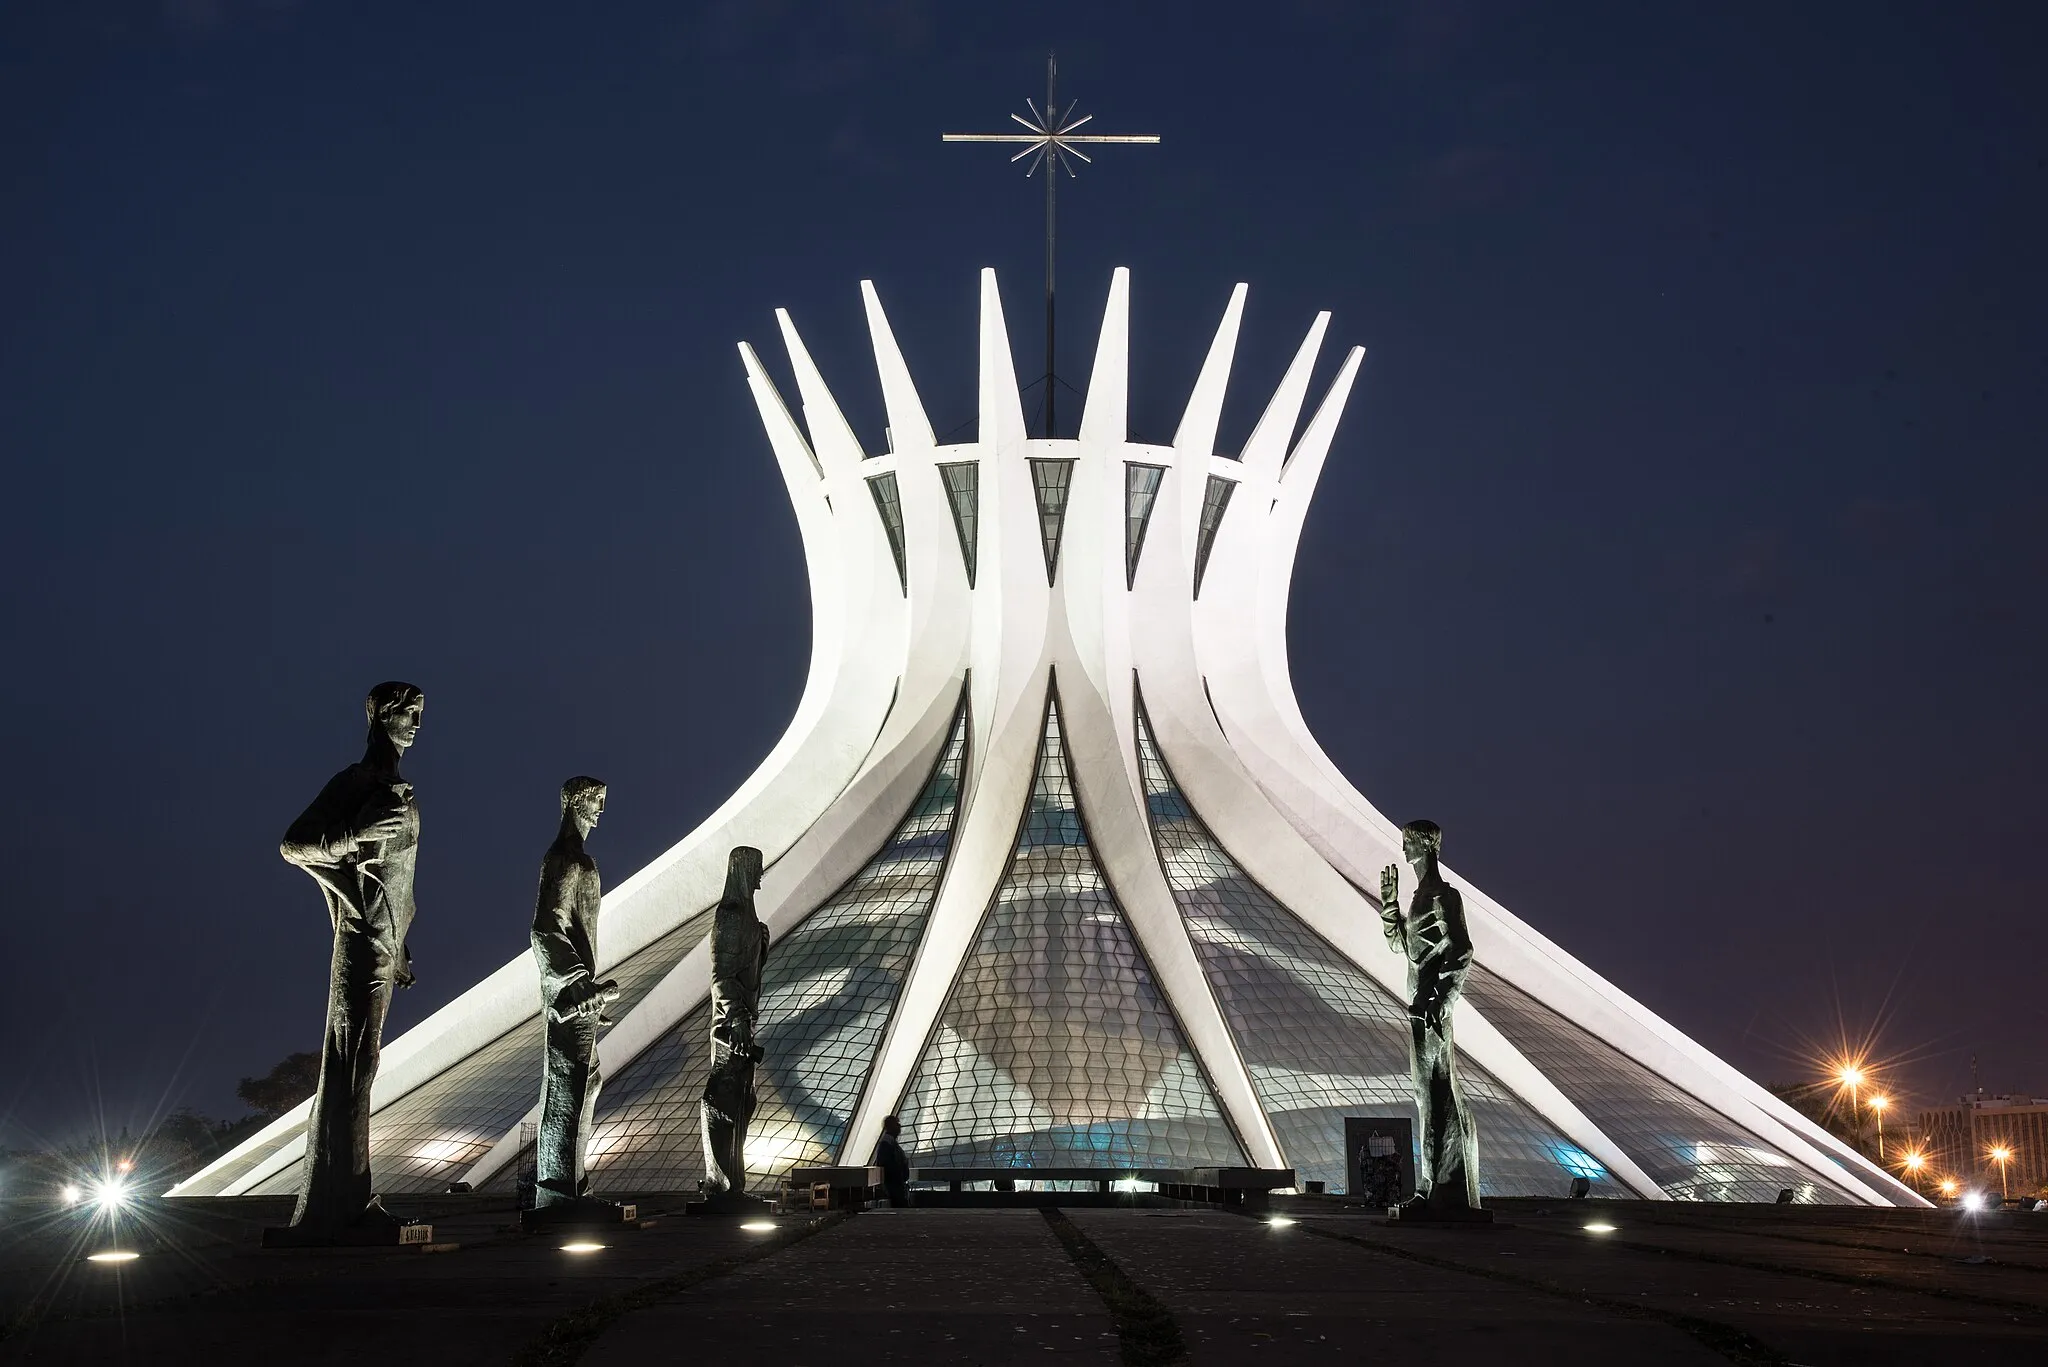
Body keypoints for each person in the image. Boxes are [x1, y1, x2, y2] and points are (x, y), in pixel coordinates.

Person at [276, 682, 425, 1239]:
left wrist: (403, 940)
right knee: (351, 1064)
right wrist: (352, 834)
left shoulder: (402, 789)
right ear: (375, 716)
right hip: (360, 942)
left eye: (418, 714)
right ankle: (343, 1203)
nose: (413, 722)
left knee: (364, 1064)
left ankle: (346, 1197)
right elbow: (293, 845)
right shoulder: (355, 782)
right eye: (403, 712)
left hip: (386, 943)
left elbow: (397, 879)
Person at [1380, 819, 1482, 1212]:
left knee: (1433, 1093)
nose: (1403, 849)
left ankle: (1433, 1189)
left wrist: (1440, 1000)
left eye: (1407, 843)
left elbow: (1462, 950)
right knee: (1428, 1095)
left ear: (1424, 847)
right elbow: (1401, 948)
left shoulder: (1444, 896)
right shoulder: (1419, 897)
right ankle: (1438, 1185)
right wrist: (1390, 906)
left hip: (1431, 1011)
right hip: (1418, 1009)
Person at [530, 776, 621, 1215]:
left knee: (587, 1081)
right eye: (595, 802)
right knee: (569, 1085)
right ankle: (557, 1190)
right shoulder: (566, 859)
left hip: (582, 995)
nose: (601, 810)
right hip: (571, 996)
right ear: (573, 804)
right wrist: (577, 982)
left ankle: (572, 1184)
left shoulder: (580, 859)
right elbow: (545, 927)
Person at [874, 1115, 911, 1207]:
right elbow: (890, 1166)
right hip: (894, 1187)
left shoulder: (889, 1143)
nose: (899, 1127)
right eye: (897, 1124)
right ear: (890, 1126)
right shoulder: (888, 1145)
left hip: (896, 1185)